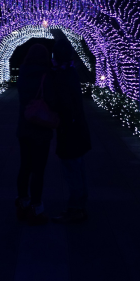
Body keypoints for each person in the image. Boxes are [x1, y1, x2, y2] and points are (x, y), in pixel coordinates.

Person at [51, 41, 91, 223]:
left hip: (70, 131)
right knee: (79, 168)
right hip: (78, 129)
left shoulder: (62, 76)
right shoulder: (72, 74)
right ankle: (80, 205)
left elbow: (64, 105)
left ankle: (76, 208)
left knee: (73, 169)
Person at [15, 43, 55, 225]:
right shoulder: (46, 76)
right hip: (41, 129)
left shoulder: (22, 74)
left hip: (24, 127)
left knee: (25, 167)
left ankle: (22, 203)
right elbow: (52, 99)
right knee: (38, 170)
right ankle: (36, 208)